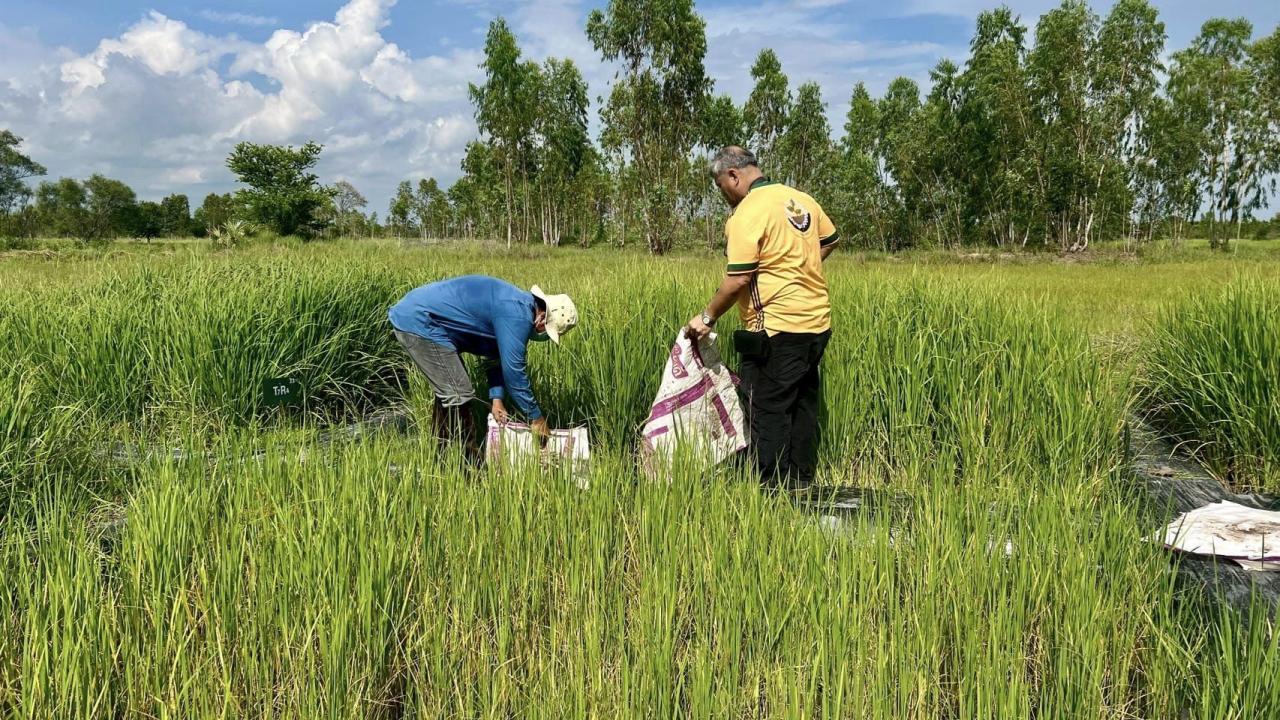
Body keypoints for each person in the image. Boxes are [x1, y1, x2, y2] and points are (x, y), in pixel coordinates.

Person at [686, 146, 839, 491]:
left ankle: (770, 495)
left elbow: (738, 277)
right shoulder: (800, 200)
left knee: (765, 411)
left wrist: (707, 317)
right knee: (802, 405)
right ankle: (801, 487)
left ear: (733, 176)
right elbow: (829, 239)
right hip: (816, 324)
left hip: (775, 328)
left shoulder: (746, 213)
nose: (723, 194)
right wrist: (797, 272)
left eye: (720, 186)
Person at [389, 275, 578, 453]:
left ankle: (443, 457)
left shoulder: (517, 306)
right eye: (547, 330)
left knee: (451, 388)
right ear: (542, 320)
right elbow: (515, 376)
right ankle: (468, 469)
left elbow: (495, 355)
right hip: (420, 321)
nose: (542, 334)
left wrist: (496, 399)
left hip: (422, 317)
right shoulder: (517, 316)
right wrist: (536, 418)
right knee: (458, 393)